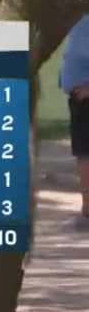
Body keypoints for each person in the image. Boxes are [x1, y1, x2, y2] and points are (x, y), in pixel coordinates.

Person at [61, 13, 89, 230]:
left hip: (85, 100)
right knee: (83, 154)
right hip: (79, 100)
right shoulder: (82, 19)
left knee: (85, 155)